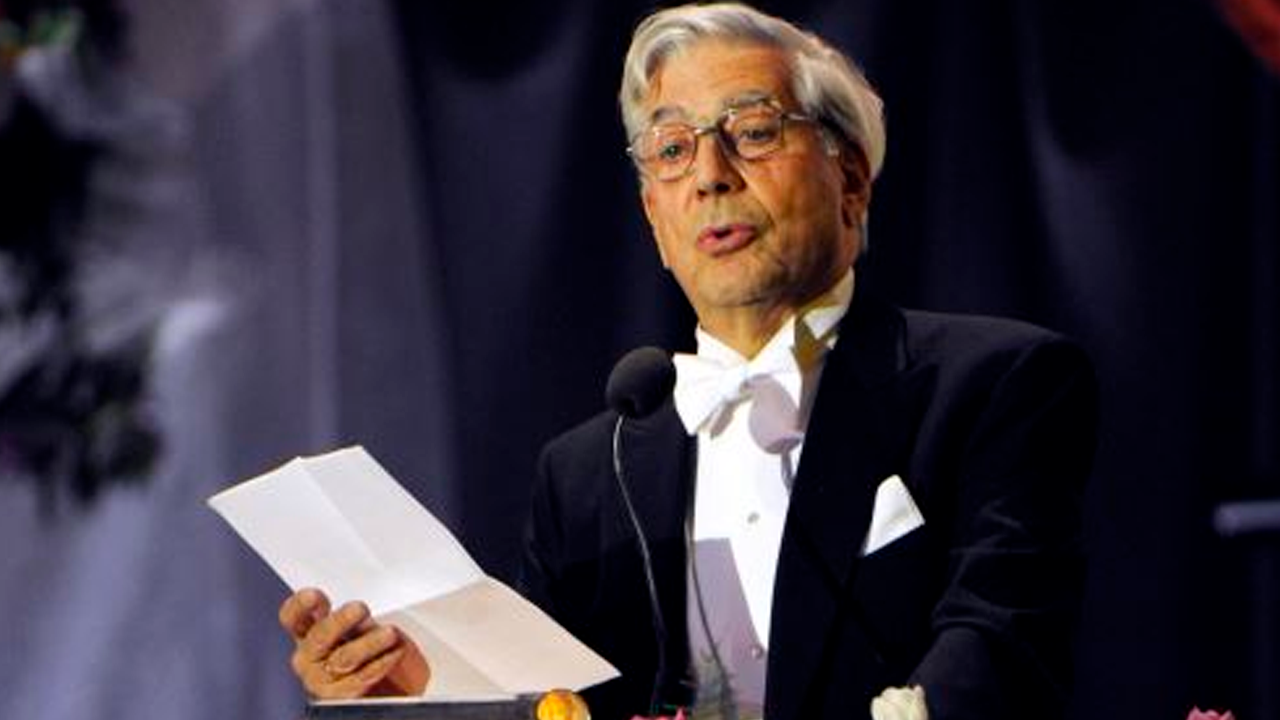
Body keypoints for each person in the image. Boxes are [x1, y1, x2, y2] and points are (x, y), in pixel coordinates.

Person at [277, 4, 1098, 719]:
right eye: (671, 149)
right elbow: (555, 709)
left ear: (850, 179)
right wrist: (399, 694)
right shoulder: (589, 473)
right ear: (652, 217)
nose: (710, 176)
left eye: (754, 131)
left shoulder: (993, 384)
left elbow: (1000, 646)